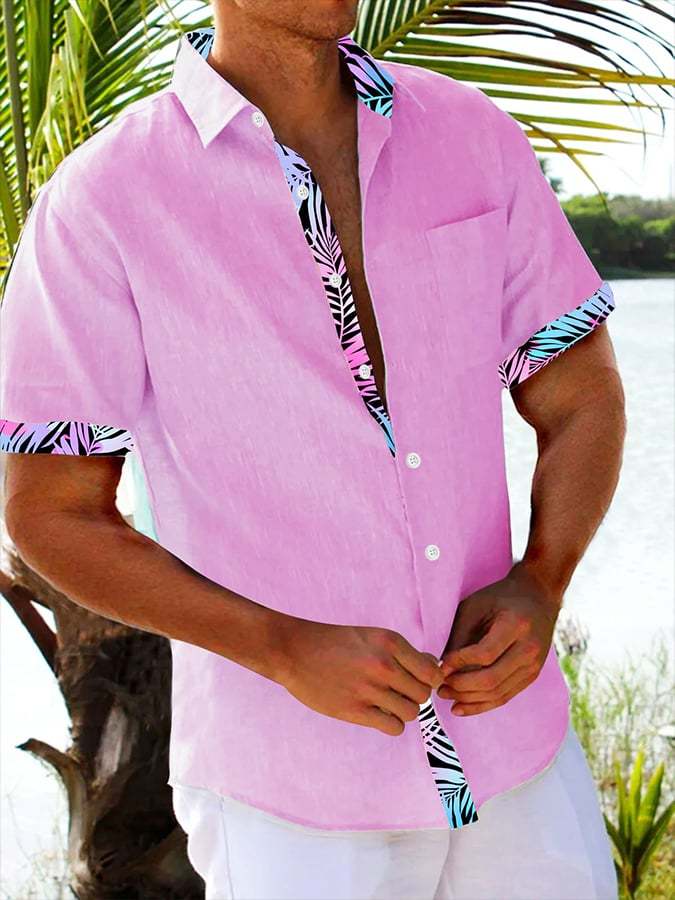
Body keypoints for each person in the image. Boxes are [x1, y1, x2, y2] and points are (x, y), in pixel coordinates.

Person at [0, 1, 625, 898]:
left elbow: (580, 395)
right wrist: (278, 647)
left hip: (515, 753)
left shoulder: (468, 133)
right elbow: (50, 512)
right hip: (288, 797)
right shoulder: (106, 199)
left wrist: (544, 578)